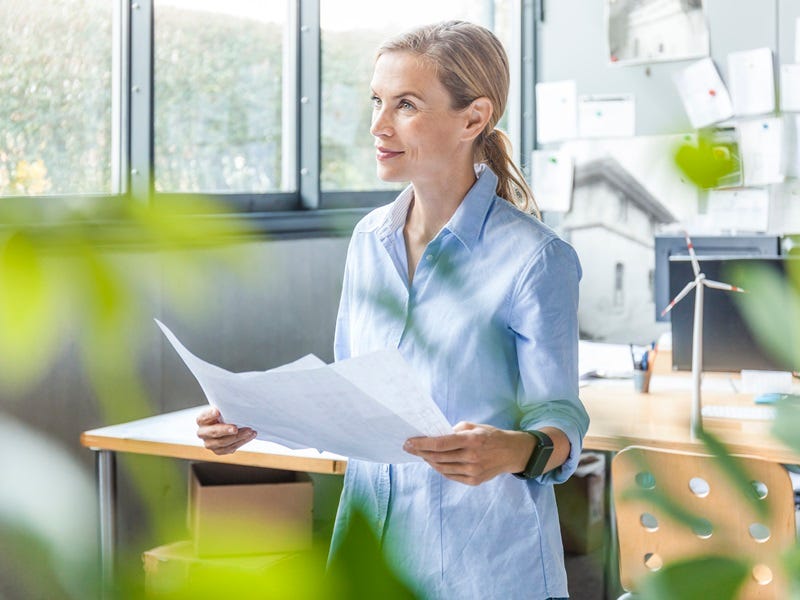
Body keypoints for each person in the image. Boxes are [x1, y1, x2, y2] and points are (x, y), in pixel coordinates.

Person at [197, 20, 589, 599]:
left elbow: (562, 418)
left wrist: (515, 448)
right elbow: (350, 397)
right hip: (372, 559)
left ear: (473, 119)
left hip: (484, 569)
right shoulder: (368, 240)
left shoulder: (535, 258)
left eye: (405, 105)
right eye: (377, 101)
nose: (379, 126)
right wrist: (258, 418)